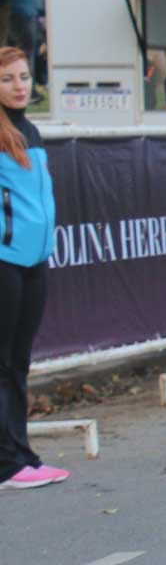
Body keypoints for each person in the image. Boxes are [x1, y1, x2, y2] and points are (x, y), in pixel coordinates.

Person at [1, 46, 63, 492]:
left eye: (24, 77)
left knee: (18, 363)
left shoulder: (32, 132)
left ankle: (20, 453)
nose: (19, 85)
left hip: (35, 261)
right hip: (5, 261)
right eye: (7, 79)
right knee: (3, 363)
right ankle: (7, 463)